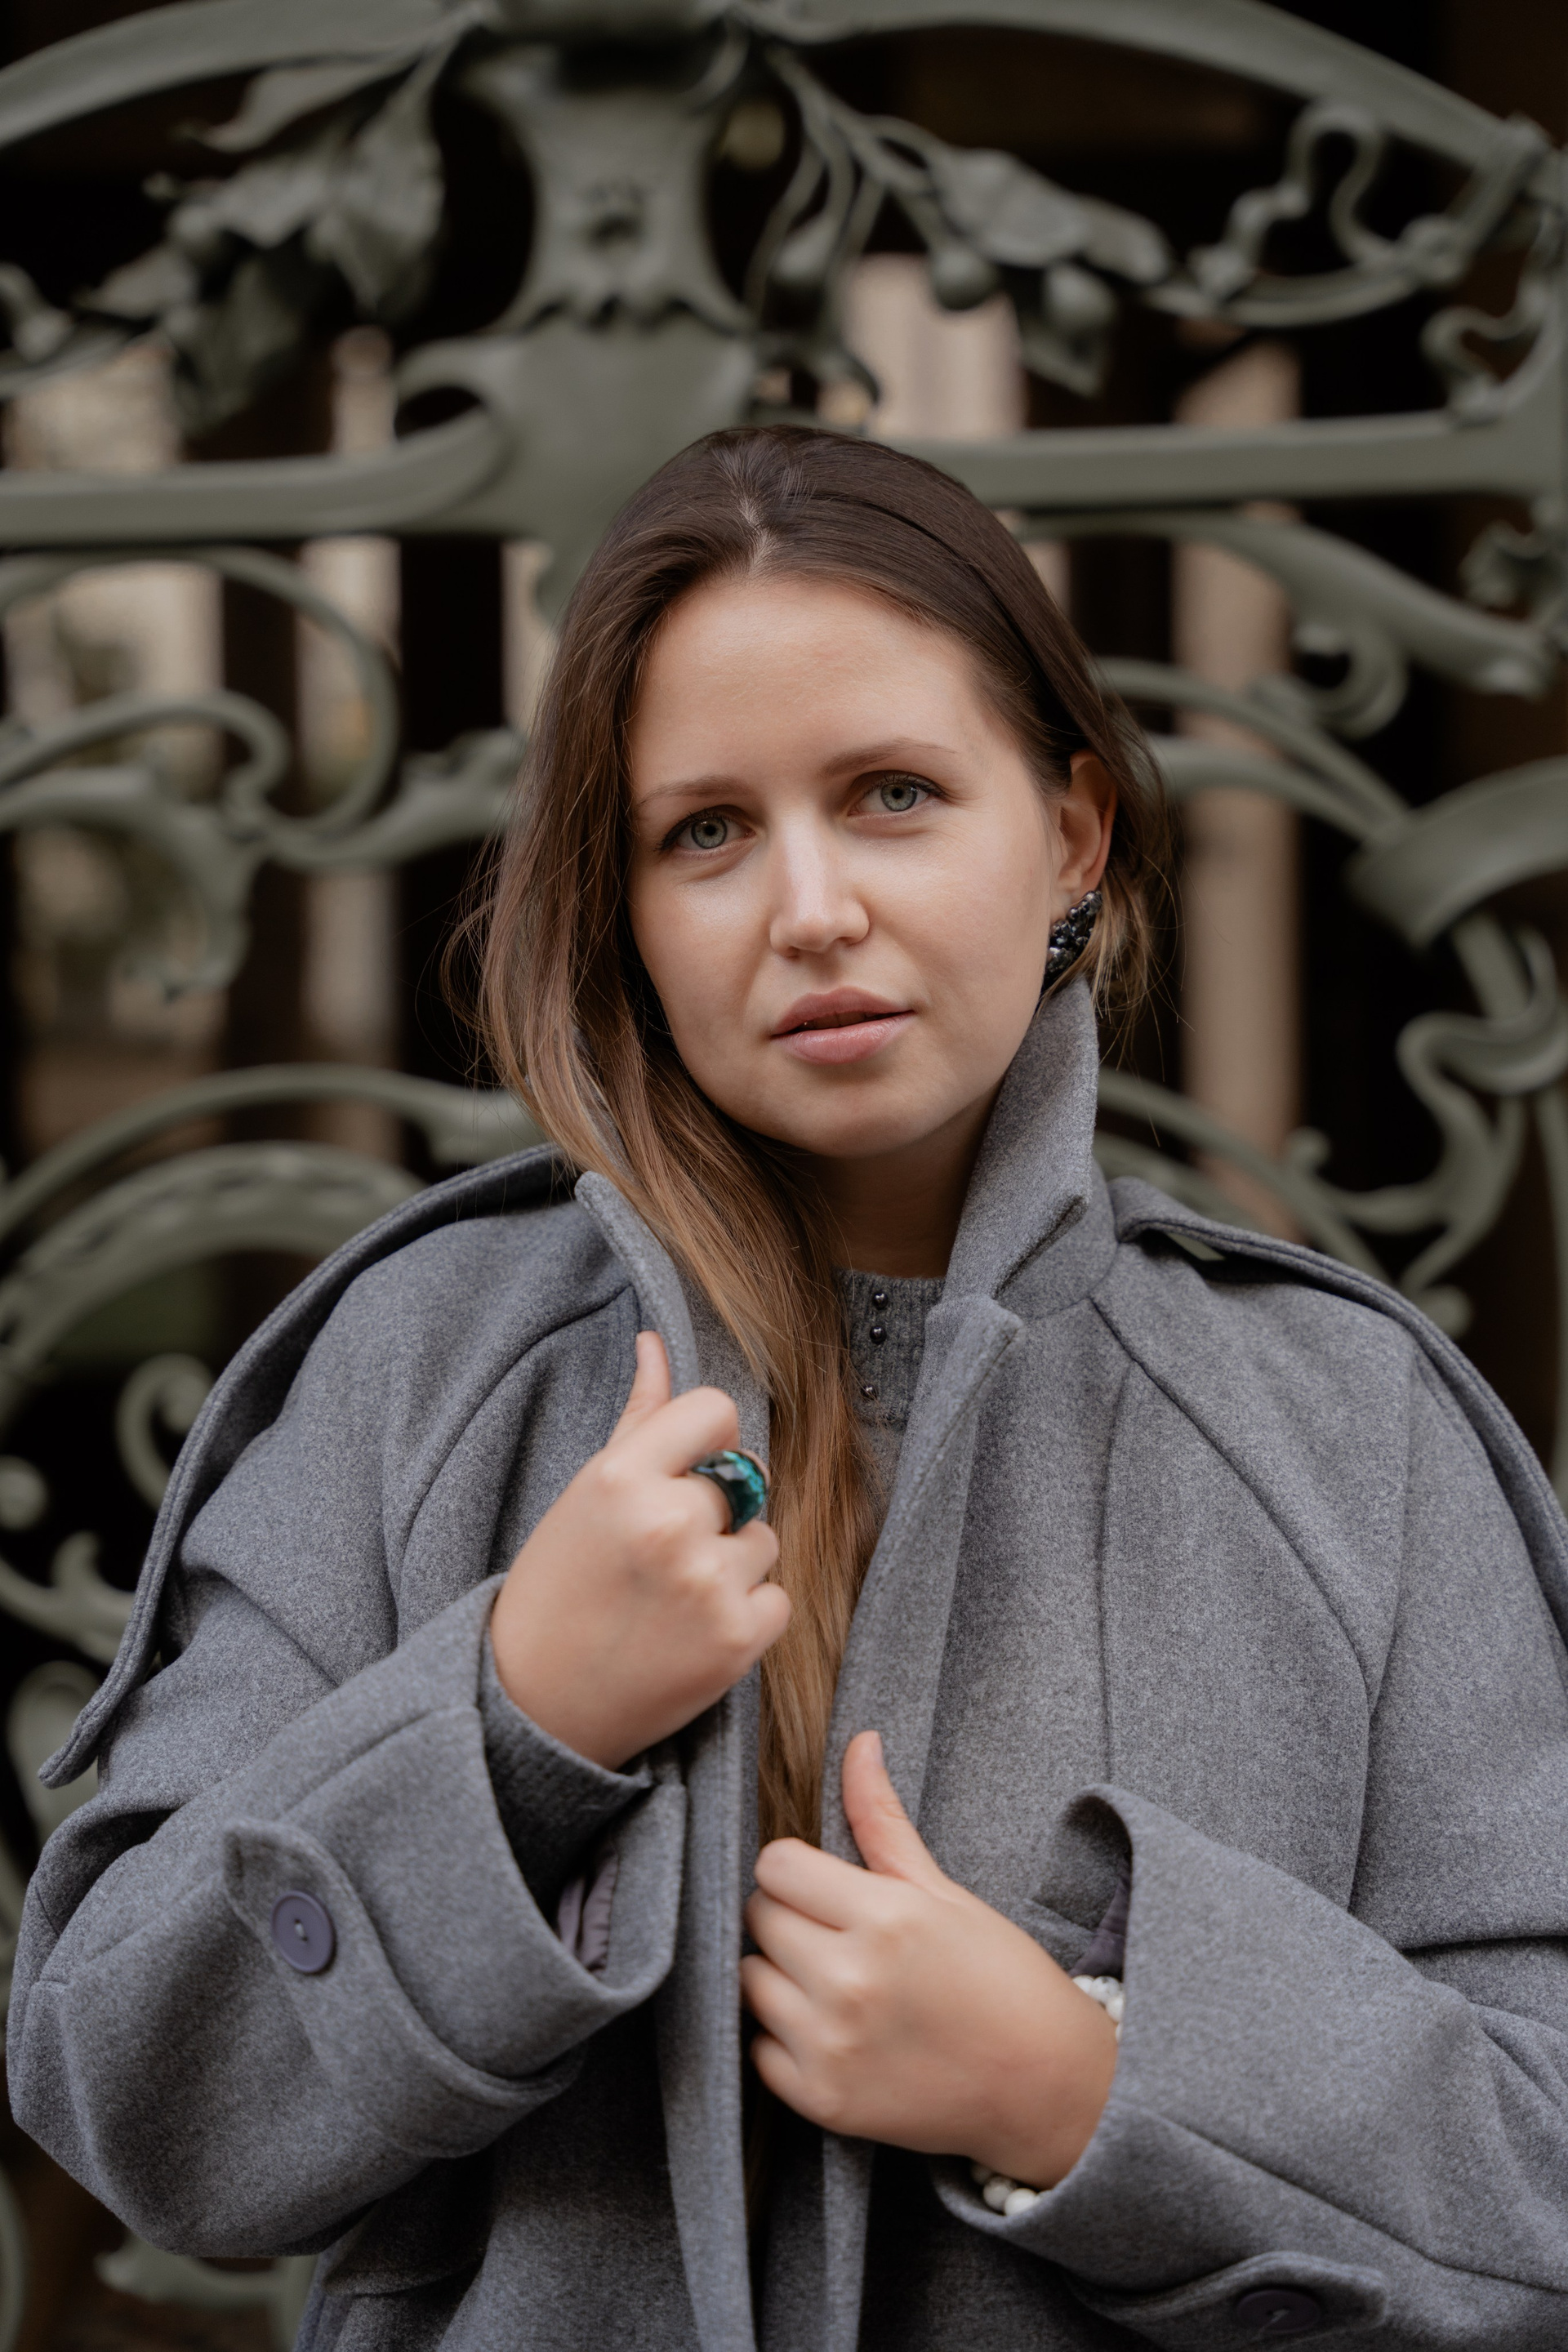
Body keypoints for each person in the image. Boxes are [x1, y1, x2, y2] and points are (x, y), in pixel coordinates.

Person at [11, 425, 1568, 2352]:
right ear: (625, 903)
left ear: (1071, 837)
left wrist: (1088, 2082)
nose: (809, 906)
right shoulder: (412, 1375)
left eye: (894, 794)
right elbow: (125, 2093)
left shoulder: (1352, 1427)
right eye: (706, 832)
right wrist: (511, 1722)